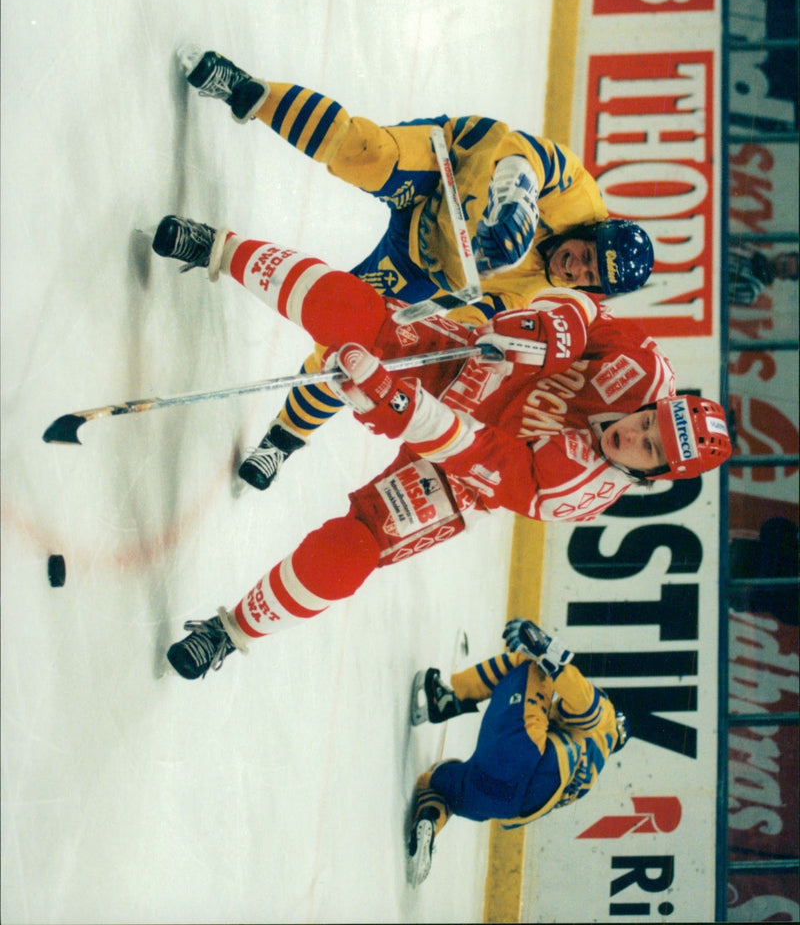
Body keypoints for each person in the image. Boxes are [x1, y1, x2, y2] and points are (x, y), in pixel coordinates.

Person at [150, 214, 731, 681]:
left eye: (648, 450)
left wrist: (389, 399)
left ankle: (230, 633)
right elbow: (585, 308)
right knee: (365, 321)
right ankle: (222, 251)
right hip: (485, 365)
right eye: (650, 422)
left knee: (362, 542)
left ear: (652, 476)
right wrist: (551, 333)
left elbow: (476, 454)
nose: (634, 434)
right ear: (660, 404)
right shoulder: (646, 366)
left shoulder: (578, 493)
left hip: (460, 469)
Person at [178, 47, 655, 492]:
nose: (575, 269)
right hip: (449, 173)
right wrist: (517, 200)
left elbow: (485, 312)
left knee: (351, 346)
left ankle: (282, 438)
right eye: (587, 255)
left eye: (587, 277)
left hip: (423, 264)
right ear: (593, 230)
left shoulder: (548, 291)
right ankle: (245, 90)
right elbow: (525, 154)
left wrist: (465, 330)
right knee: (364, 150)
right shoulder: (579, 199)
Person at [406, 617, 629, 886]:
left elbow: (586, 704)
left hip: (523, 757)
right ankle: (429, 822)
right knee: (435, 781)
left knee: (531, 664)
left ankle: (444, 701)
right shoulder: (590, 771)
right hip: (504, 805)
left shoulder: (605, 720)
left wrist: (546, 649)